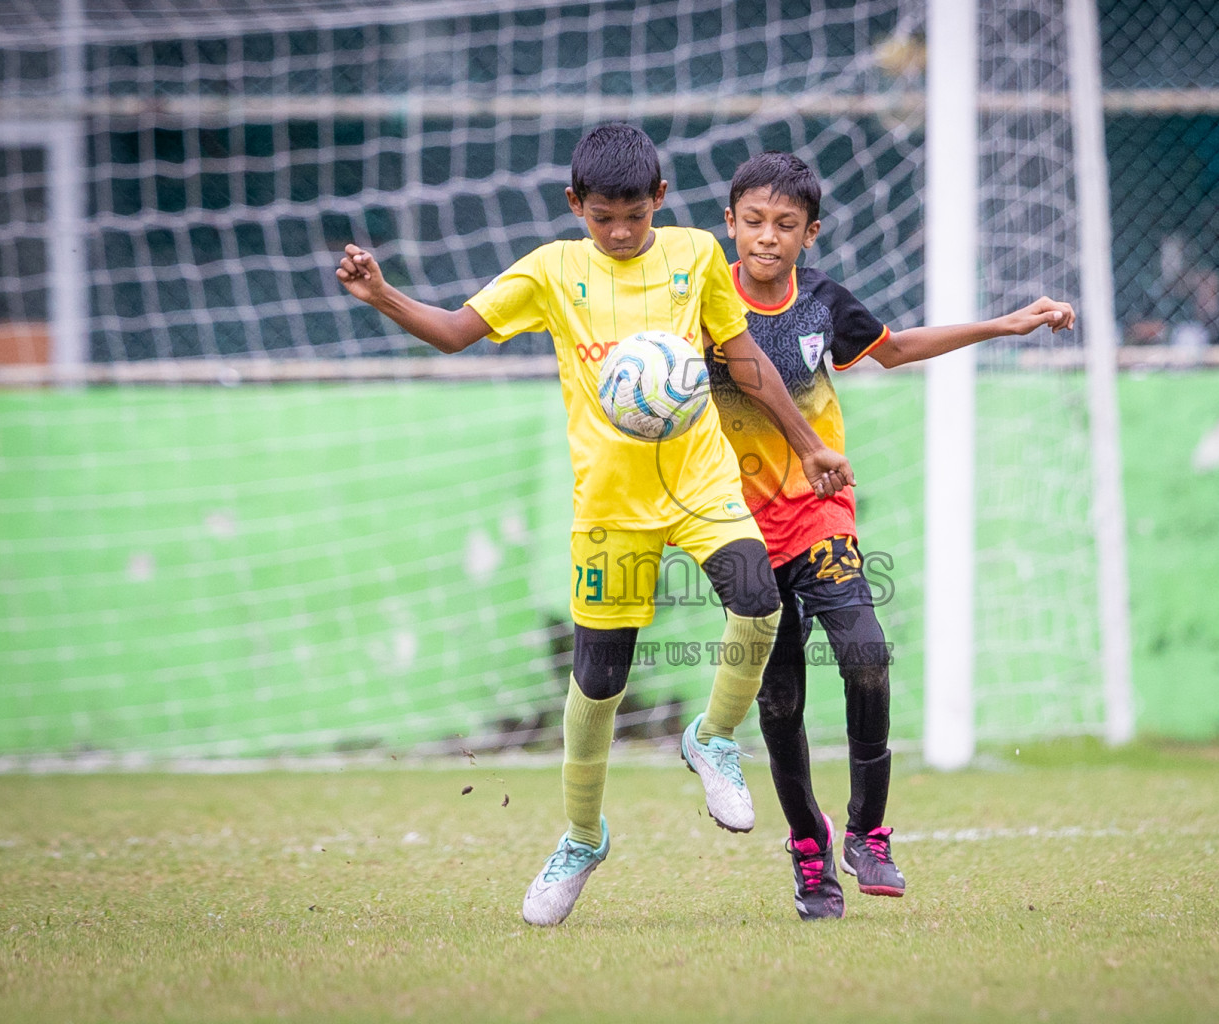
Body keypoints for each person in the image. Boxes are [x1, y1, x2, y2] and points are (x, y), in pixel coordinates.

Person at [335, 124, 854, 927]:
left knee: (757, 596)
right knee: (599, 684)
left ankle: (712, 737)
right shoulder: (550, 271)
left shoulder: (691, 258)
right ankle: (581, 838)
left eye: (633, 218)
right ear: (575, 205)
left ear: (661, 200)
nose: (618, 234)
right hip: (610, 507)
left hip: (700, 482)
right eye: (602, 217)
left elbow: (744, 354)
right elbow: (453, 332)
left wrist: (809, 443)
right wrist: (382, 296)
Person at [708, 151, 1074, 920]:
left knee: (866, 653)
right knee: (779, 702)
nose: (766, 238)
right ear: (729, 223)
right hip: (737, 530)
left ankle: (866, 833)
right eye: (752, 222)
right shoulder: (704, 301)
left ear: (810, 234)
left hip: (817, 513)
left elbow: (896, 349)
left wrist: (1005, 322)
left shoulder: (823, 304)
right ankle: (809, 851)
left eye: (784, 225)